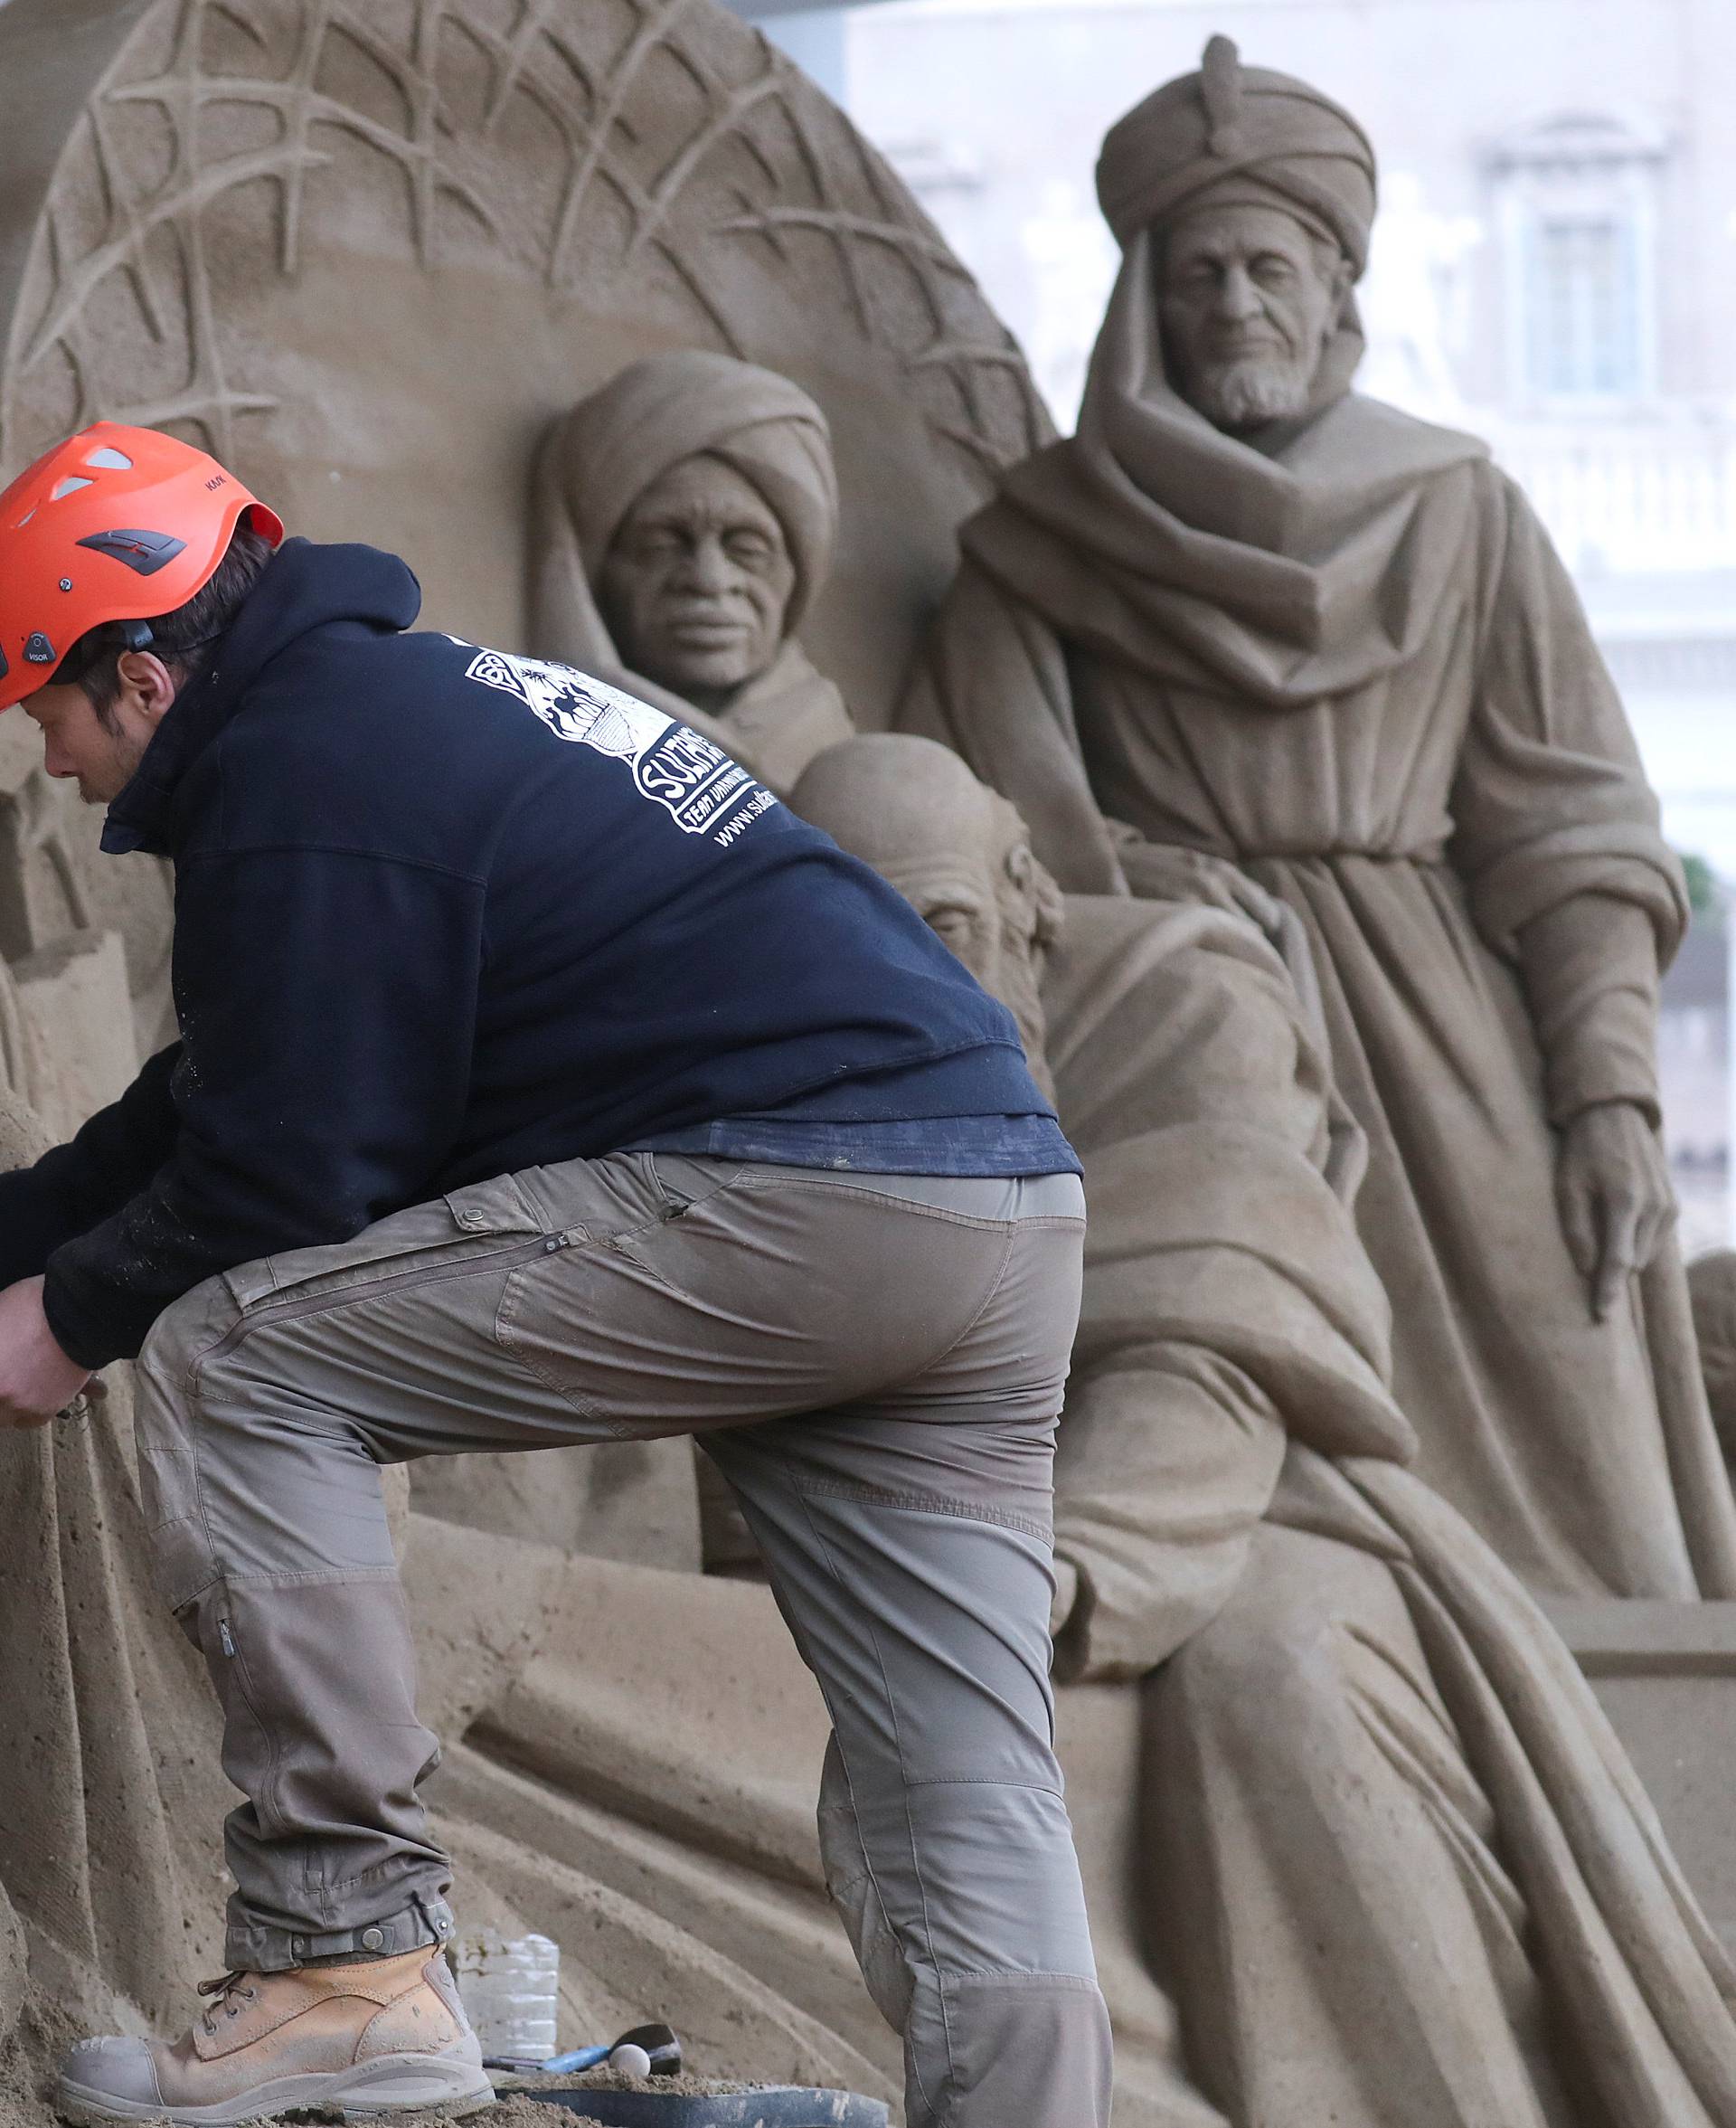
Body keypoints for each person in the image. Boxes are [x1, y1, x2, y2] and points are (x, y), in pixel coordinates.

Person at [0, 421, 1109, 2128]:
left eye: (45, 709)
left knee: (238, 1352)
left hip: (809, 1194)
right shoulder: (407, 715)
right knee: (956, 1769)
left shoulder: (304, 775)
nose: (53, 762)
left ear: (139, 675)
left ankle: (343, 1963)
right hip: (995, 1212)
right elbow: (223, 1095)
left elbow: (290, 1172)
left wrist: (66, 1321)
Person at [796, 734, 1736, 2128]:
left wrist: (1054, 1574)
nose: (913, 989)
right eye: (859, 945)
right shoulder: (770, 1037)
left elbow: (1216, 1338)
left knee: (1276, 1661)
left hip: (1247, 1506)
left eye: (946, 930)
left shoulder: (1184, 991)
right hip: (902, 1543)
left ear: (1030, 903)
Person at [901, 35, 1736, 1604]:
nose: (1235, 307)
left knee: (1572, 1409)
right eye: (1199, 272)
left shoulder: (1461, 510)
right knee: (1233, 1436)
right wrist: (1134, 879)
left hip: (1453, 1039)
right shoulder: (1037, 548)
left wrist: (1613, 1088)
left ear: (1337, 286)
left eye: (1268, 268)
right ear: (1143, 294)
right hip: (1194, 1031)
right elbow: (981, 832)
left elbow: (1570, 826)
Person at [528, 349, 855, 792]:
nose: (709, 581)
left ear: (799, 570)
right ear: (595, 570)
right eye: (662, 545)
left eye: (747, 549)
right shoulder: (529, 747)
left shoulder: (853, 773)